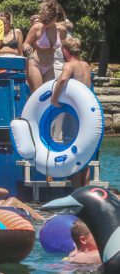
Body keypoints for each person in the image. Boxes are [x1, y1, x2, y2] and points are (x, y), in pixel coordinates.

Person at [52, 36, 92, 189]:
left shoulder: (69, 65)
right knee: (85, 155)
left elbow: (62, 80)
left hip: (73, 114)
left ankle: (76, 193)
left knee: (74, 152)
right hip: (86, 113)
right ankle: (86, 191)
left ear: (65, 50)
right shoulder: (86, 65)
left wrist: (55, 99)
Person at [24, 0, 65, 91]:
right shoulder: (37, 28)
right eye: (43, 20)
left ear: (55, 18)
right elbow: (25, 44)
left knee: (48, 94)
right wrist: (27, 47)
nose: (44, 23)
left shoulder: (61, 30)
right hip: (35, 63)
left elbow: (65, 48)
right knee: (38, 93)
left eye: (47, 21)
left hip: (50, 66)